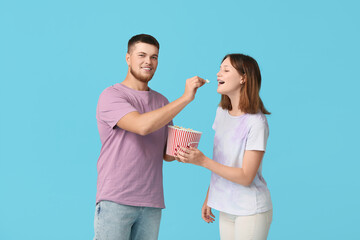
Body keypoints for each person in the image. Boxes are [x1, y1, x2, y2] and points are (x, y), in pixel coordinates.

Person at [94, 34, 206, 240]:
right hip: (116, 199)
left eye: (154, 57)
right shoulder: (111, 95)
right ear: (128, 58)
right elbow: (141, 126)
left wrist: (183, 150)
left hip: (152, 202)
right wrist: (186, 98)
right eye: (142, 55)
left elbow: (166, 154)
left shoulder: (162, 101)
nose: (148, 61)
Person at [175, 54, 273, 240]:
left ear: (243, 78)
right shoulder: (221, 113)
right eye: (220, 69)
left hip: (250, 210)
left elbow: (246, 177)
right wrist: (210, 196)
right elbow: (224, 160)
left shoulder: (256, 123)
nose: (219, 73)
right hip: (226, 207)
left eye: (226, 70)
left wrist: (202, 161)